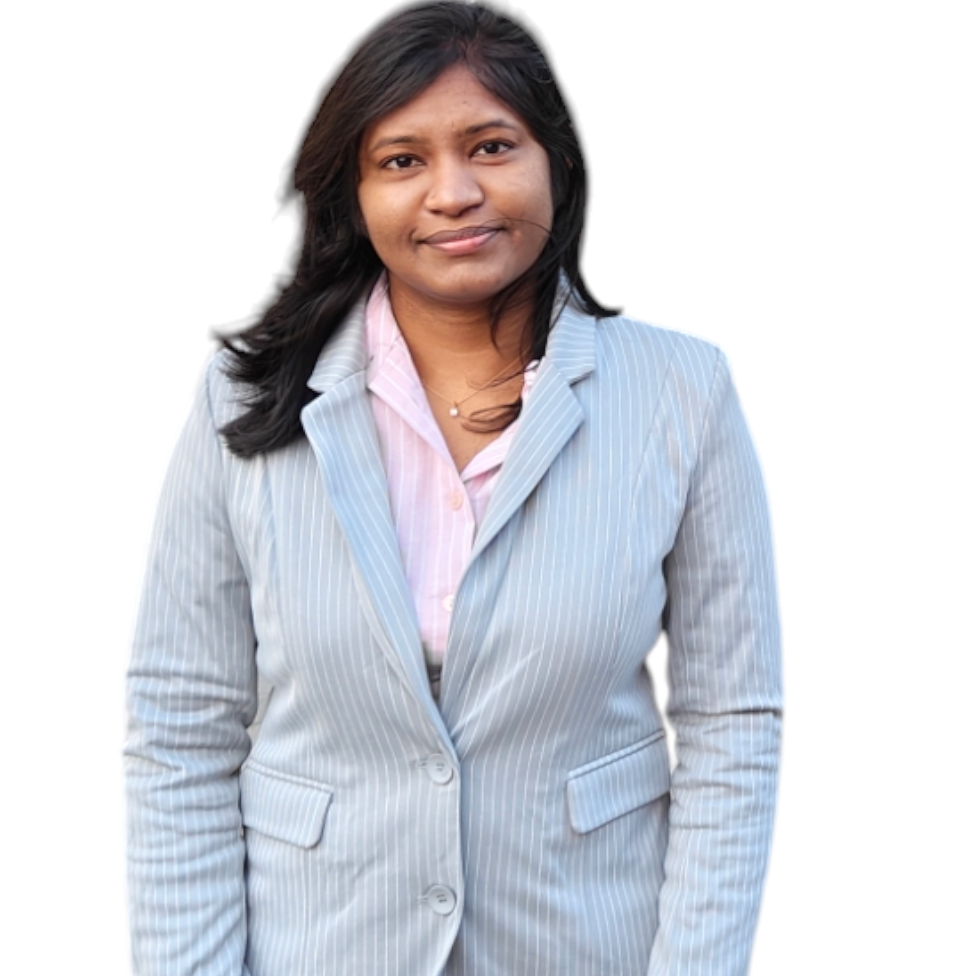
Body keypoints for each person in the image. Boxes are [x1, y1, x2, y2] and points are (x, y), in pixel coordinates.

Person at [125, 3, 781, 975]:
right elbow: (180, 723)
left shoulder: (682, 393)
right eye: (402, 160)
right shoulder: (245, 399)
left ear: (556, 162)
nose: (454, 192)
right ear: (352, 195)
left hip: (580, 944)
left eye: (491, 146)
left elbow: (731, 722)